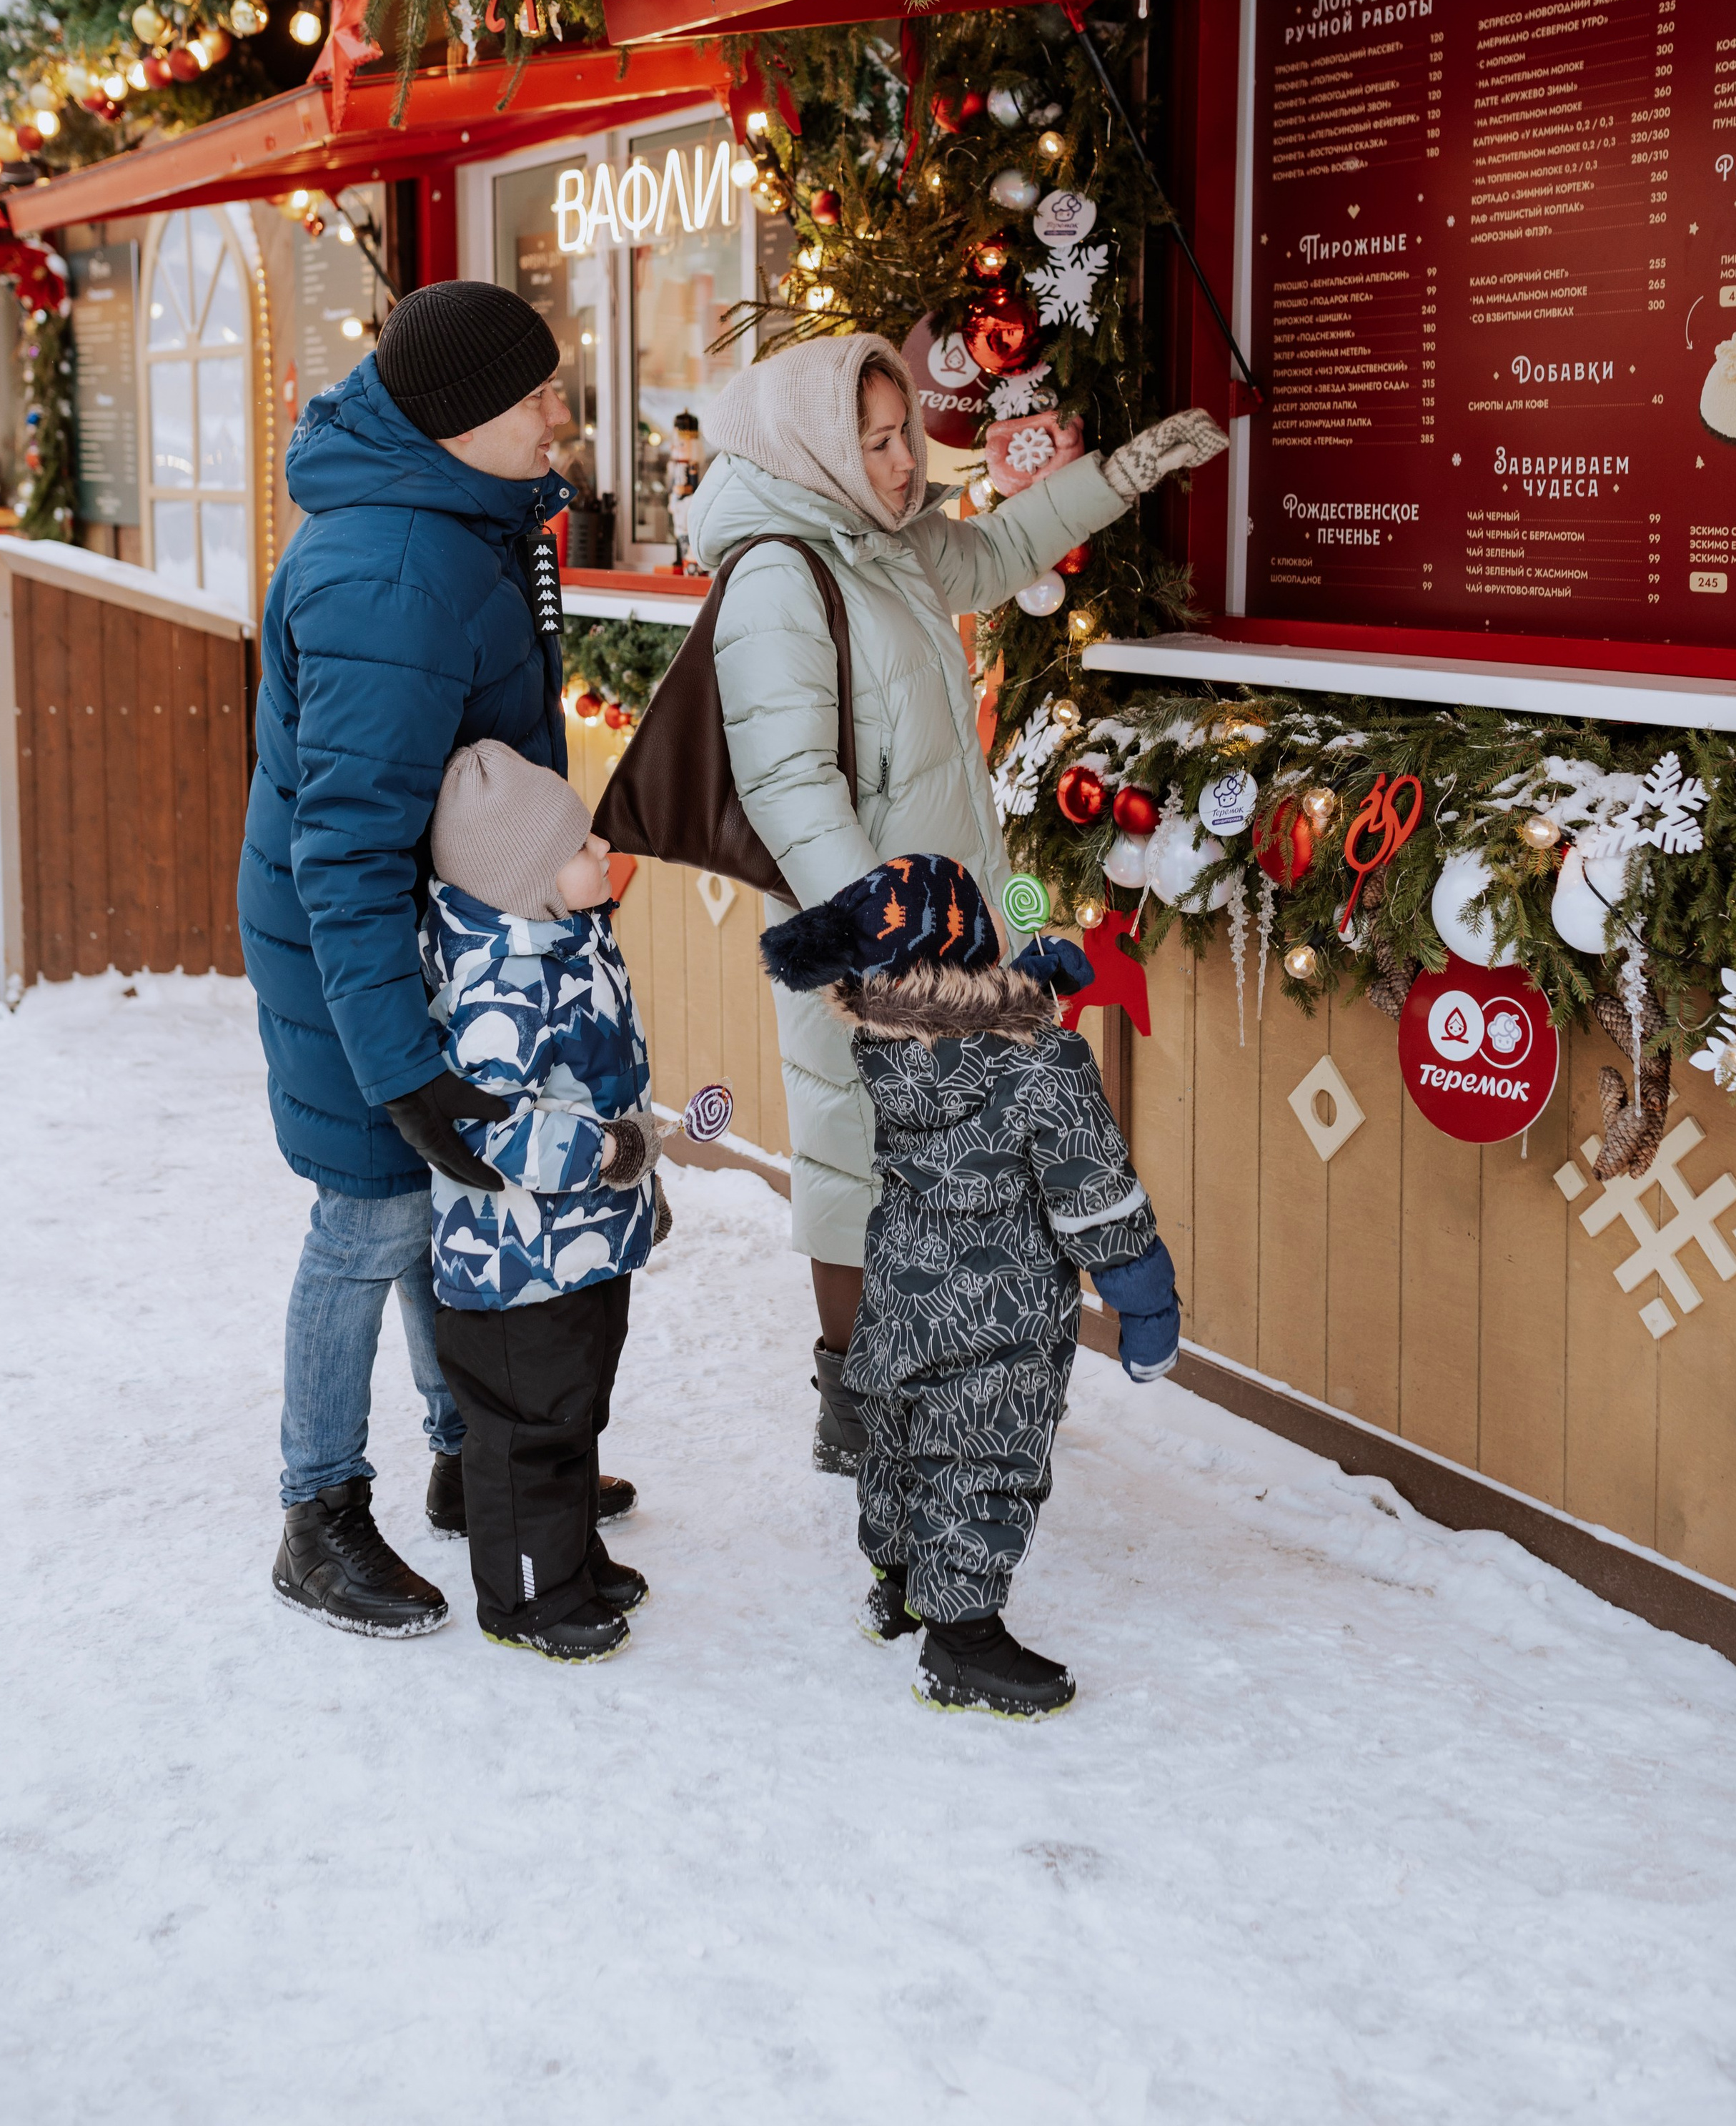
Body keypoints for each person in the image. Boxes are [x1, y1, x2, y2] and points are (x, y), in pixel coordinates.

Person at [687, 332, 1222, 1472]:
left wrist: (1117, 474)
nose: (902, 464)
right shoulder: (781, 570)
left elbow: (1004, 546)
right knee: (854, 1158)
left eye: (904, 436)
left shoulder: (887, 544)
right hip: (866, 938)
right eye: (874, 442)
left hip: (948, 917)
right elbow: (791, 788)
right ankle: (857, 1409)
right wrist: (883, 942)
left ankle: (922, 1382)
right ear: (815, 446)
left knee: (933, 1162)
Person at [241, 279, 633, 1640]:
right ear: (461, 419)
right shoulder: (394, 574)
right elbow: (343, 852)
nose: (560, 416)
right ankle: (319, 1509)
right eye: (538, 396)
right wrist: (403, 1063)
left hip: (435, 940)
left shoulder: (464, 521)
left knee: (444, 1193)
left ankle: (472, 1457)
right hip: (355, 952)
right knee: (376, 1214)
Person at [761, 853, 1181, 1719]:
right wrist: (1146, 1307)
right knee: (981, 1460)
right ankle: (963, 1642)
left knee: (901, 1436)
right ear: (975, 952)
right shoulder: (1046, 1062)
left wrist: (1028, 983)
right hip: (1003, 1314)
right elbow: (1096, 1194)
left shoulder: (882, 1046)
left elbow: (962, 1046)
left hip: (903, 1293)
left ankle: (898, 1584)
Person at [421, 741, 667, 1663]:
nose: (601, 848)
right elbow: (491, 1128)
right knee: (531, 1428)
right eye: (577, 844)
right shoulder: (500, 983)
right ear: (528, 879)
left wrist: (633, 1184)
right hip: (514, 1260)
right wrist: (608, 1152)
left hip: (576, 1246)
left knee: (577, 1405)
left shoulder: (567, 941)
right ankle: (526, 1594)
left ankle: (566, 1555)